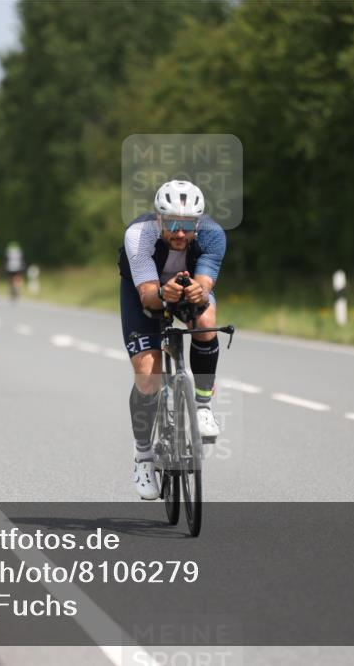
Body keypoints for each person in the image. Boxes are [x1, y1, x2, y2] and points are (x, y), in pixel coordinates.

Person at [118, 180, 227, 500]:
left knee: (206, 321)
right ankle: (143, 457)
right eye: (173, 224)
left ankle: (203, 406)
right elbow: (149, 297)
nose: (180, 233)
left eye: (188, 225)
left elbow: (205, 281)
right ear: (159, 220)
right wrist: (164, 295)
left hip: (184, 286)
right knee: (148, 374)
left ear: (199, 222)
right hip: (144, 293)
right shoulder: (139, 235)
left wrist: (199, 290)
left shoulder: (213, 234)